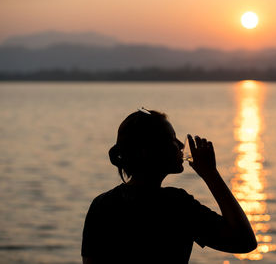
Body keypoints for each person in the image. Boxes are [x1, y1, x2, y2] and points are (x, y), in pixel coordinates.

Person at [81, 109, 257, 264]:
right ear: (147, 152)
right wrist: (211, 174)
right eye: (172, 139)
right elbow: (244, 241)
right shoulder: (177, 205)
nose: (181, 145)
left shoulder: (102, 205)